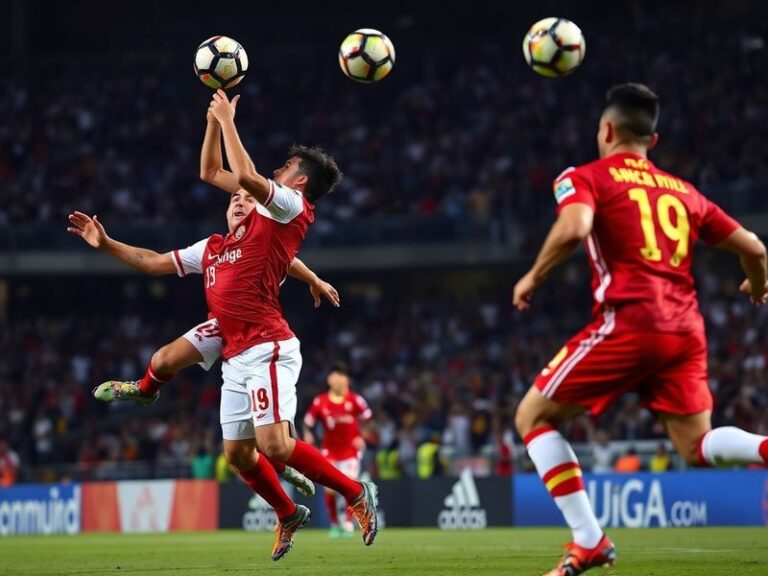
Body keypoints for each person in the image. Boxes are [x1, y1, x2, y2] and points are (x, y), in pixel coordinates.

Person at [512, 83, 768, 576]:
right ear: (651, 141)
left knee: (533, 417)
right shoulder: (685, 192)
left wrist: (532, 276)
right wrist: (757, 287)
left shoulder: (585, 176)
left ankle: (588, 541)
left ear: (606, 131)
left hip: (631, 320)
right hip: (685, 329)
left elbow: (573, 228)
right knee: (697, 446)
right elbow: (755, 249)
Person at [303, 362, 373, 538]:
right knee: (330, 489)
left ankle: (348, 523)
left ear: (346, 379)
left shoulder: (355, 400)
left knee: (349, 484)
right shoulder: (321, 401)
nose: (338, 379)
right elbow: (307, 422)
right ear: (329, 380)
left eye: (342, 376)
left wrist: (362, 436)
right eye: (335, 376)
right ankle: (335, 524)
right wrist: (308, 436)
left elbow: (369, 418)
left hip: (350, 451)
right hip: (330, 451)